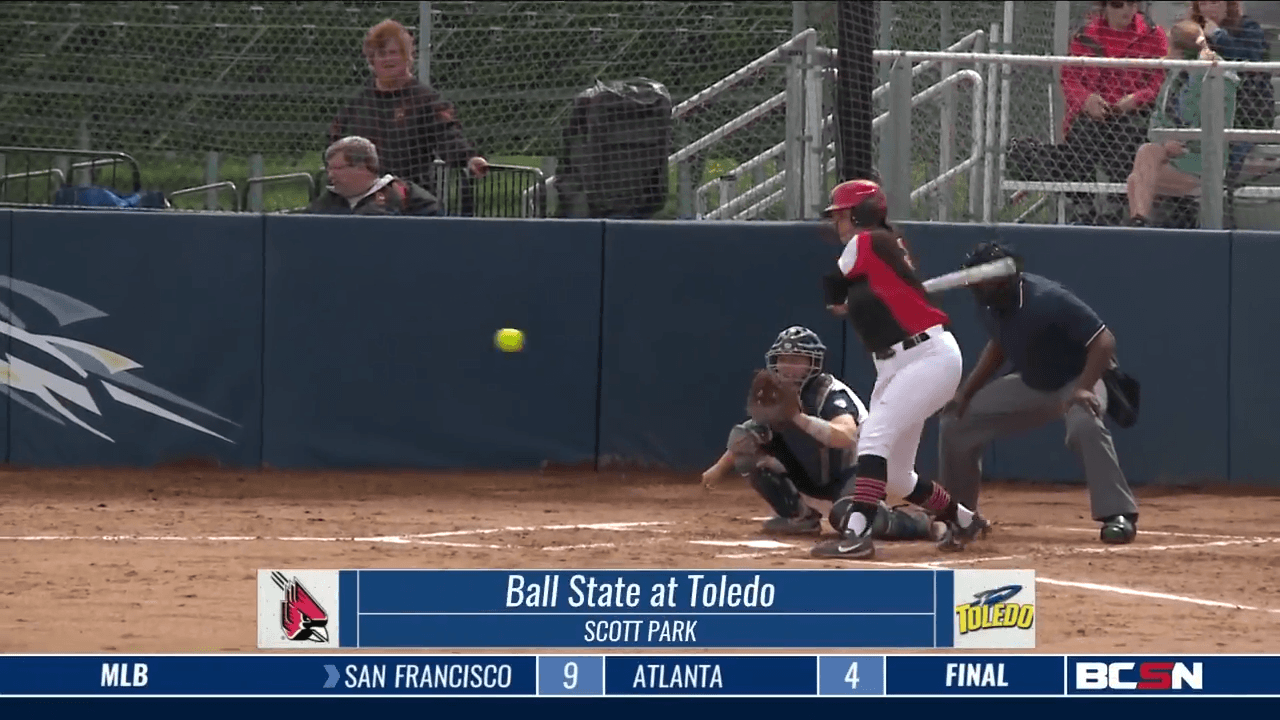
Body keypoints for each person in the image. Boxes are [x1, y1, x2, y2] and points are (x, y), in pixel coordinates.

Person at [809, 180, 988, 560]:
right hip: (900, 365)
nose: (838, 223)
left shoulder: (866, 241)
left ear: (861, 213)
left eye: (842, 215)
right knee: (895, 476)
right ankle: (963, 519)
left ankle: (857, 533)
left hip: (926, 358)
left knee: (872, 438)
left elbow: (833, 288)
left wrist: (844, 299)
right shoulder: (882, 246)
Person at [937, 241, 1139, 545]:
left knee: (1084, 425)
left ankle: (1118, 514)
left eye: (981, 278)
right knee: (956, 422)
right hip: (1034, 383)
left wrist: (1084, 387)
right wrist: (966, 393)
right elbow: (999, 346)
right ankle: (962, 517)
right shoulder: (989, 305)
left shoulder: (1046, 298)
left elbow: (1104, 340)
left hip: (1078, 378)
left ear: (1003, 277)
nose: (975, 285)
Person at [701, 326, 934, 543]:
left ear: (812, 363)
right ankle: (799, 517)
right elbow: (747, 436)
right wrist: (718, 469)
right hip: (812, 473)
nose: (787, 367)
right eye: (783, 359)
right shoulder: (775, 394)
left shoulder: (829, 392)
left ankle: (919, 523)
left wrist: (797, 417)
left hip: (855, 472)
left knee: (849, 520)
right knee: (747, 445)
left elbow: (845, 436)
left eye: (796, 360)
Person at [1123, 20, 1278, 226]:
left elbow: (1211, 124)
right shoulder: (1176, 73)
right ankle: (1140, 222)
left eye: (1170, 47)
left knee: (1135, 180)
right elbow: (1157, 116)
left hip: (1202, 160)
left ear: (1180, 51)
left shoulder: (1215, 75)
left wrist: (1183, 142)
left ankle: (1139, 224)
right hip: (1169, 154)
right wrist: (1165, 143)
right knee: (1147, 152)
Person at [329, 19, 488, 201]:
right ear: (372, 60)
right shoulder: (358, 104)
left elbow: (447, 135)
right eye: (381, 54)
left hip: (411, 196)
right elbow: (335, 145)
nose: (388, 59)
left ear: (407, 56)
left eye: (393, 53)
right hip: (362, 197)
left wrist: (469, 158)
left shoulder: (425, 99)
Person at [1058, 0, 1168, 224]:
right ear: (1105, 7)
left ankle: (1117, 204)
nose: (1126, 10)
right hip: (1093, 111)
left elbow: (1161, 79)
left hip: (1133, 112)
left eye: (1132, 3)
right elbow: (1070, 77)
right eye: (1118, 4)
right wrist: (1086, 99)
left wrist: (1137, 99)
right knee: (1082, 135)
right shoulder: (1085, 35)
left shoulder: (1153, 35)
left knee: (1128, 137)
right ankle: (1082, 205)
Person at [1191, 1, 1273, 131]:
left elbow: (1252, 58)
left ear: (1227, 5)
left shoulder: (1248, 27)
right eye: (1203, 4)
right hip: (1204, 105)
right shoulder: (1195, 32)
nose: (1209, 8)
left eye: (1214, 2)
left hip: (1246, 107)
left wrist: (1217, 35)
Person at [308, 136, 441, 216]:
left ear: (362, 167)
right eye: (329, 169)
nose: (330, 175)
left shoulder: (403, 193)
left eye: (337, 168)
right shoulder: (328, 200)